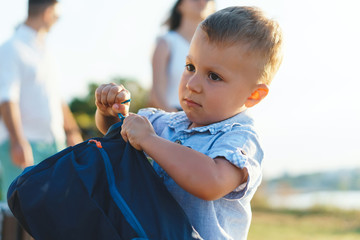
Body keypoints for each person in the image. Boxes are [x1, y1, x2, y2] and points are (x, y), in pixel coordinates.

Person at [95, 6, 283, 240]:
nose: (192, 84)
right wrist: (111, 112)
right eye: (190, 67)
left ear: (253, 95)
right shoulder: (170, 122)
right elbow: (117, 131)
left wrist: (150, 140)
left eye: (214, 76)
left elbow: (211, 181)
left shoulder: (240, 138)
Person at [0, 0, 83, 200]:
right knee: (21, 214)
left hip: (54, 145)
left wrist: (71, 131)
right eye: (57, 15)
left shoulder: (47, 51)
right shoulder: (11, 48)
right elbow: (6, 99)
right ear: (47, 13)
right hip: (25, 144)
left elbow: (56, 96)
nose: (57, 20)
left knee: (57, 210)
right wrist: (18, 141)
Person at [149, 0, 215, 112]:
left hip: (202, 121)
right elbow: (156, 93)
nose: (202, 2)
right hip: (171, 117)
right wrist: (176, 121)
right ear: (180, 6)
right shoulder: (166, 42)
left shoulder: (214, 48)